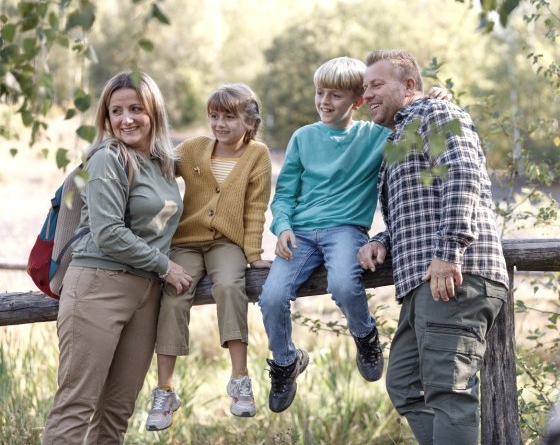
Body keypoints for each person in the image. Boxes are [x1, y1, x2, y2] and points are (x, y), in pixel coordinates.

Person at [258, 56, 449, 414]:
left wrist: (433, 100)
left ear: (357, 101)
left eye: (335, 95)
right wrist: (282, 226)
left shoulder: (376, 135)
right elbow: (284, 194)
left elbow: (414, 122)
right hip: (299, 232)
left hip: (345, 230)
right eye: (319, 93)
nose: (324, 102)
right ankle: (285, 361)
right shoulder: (303, 137)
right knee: (271, 296)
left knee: (345, 285)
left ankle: (365, 336)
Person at [357, 49, 509, 445]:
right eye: (363, 87)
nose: (367, 95)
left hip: (453, 275)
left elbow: (463, 174)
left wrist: (449, 250)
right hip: (423, 283)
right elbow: (418, 211)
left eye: (376, 84)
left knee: (449, 393)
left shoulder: (436, 115)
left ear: (409, 86)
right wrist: (381, 240)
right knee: (404, 384)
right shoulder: (401, 137)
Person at [42, 70, 192, 445]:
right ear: (106, 118)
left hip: (146, 296)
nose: (126, 119)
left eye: (136, 108)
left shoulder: (163, 166)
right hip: (98, 286)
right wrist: (166, 267)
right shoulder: (108, 157)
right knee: (75, 406)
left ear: (153, 111)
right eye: (116, 111)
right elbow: (108, 232)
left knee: (116, 415)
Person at [146, 84, 272, 430]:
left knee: (231, 286)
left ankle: (240, 379)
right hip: (186, 242)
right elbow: (158, 172)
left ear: (249, 120)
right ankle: (164, 389)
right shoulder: (194, 148)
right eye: (214, 116)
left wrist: (254, 254)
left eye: (228, 117)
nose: (219, 123)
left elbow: (256, 208)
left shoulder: (257, 154)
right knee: (174, 294)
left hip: (226, 244)